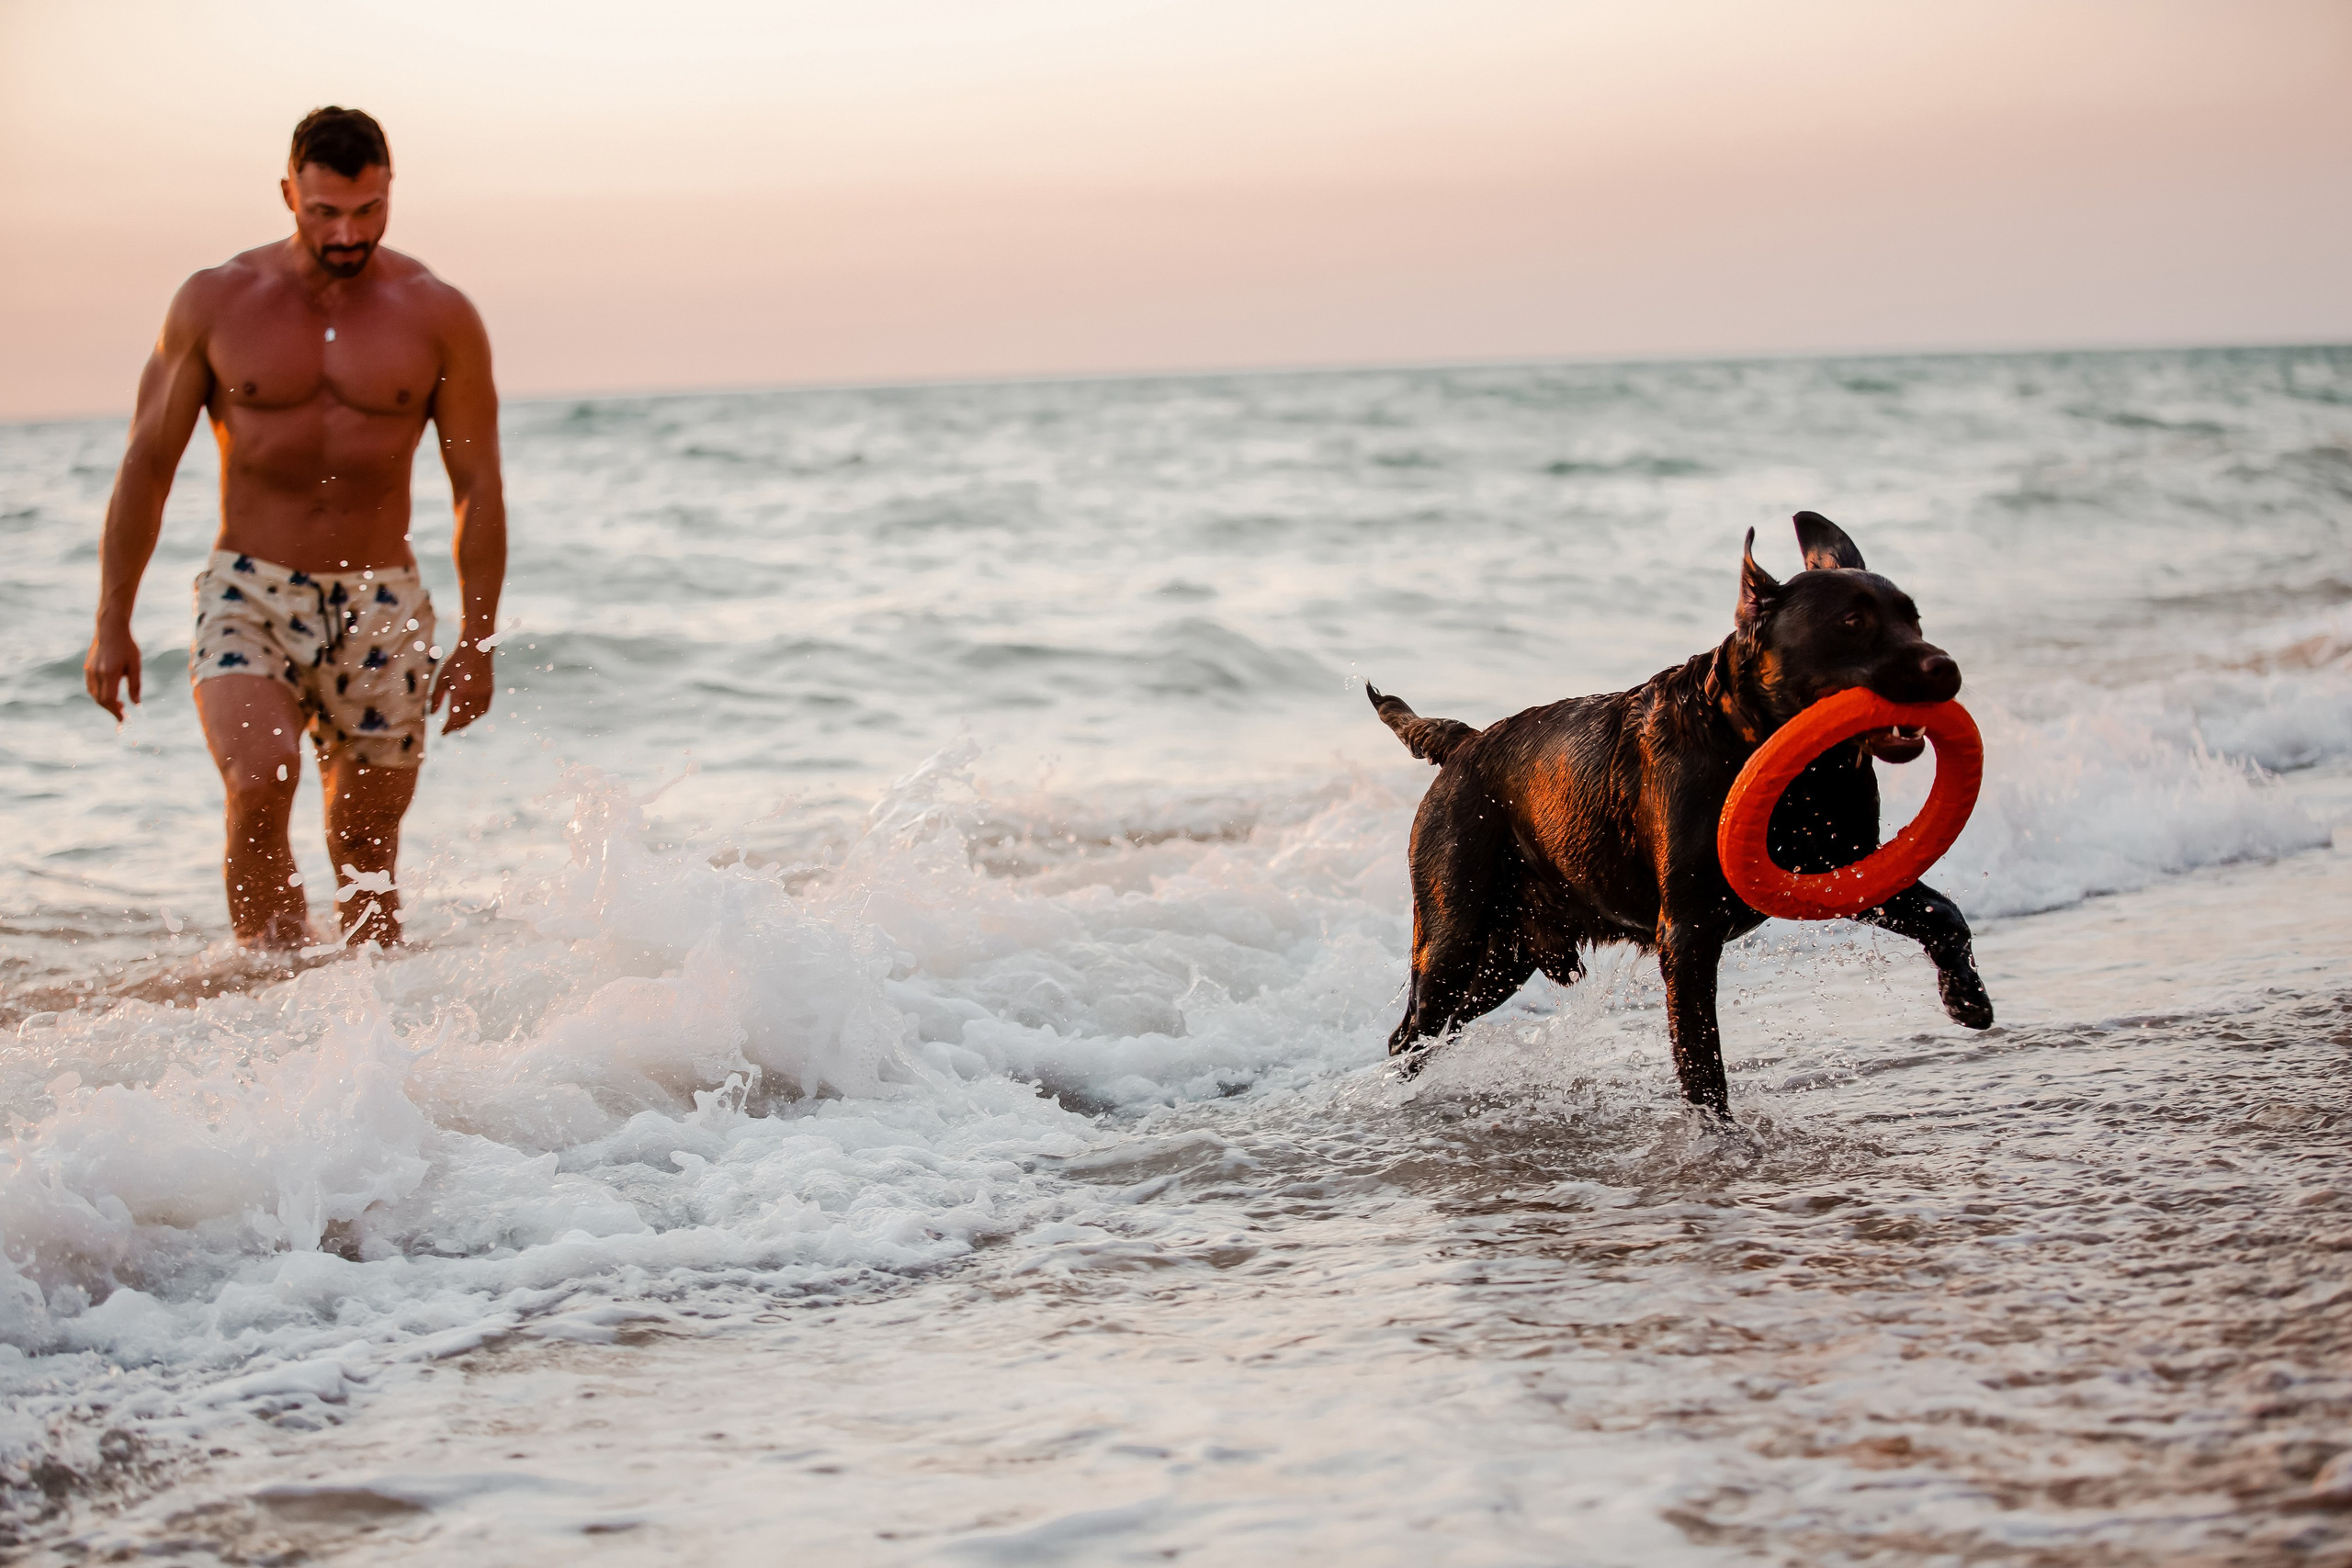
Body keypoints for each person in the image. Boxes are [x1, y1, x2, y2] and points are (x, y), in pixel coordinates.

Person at [81, 107, 504, 949]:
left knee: (365, 844)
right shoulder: (215, 302)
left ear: (390, 192)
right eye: (325, 212)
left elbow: (477, 487)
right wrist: (111, 620)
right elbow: (146, 465)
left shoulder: (439, 316)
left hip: (382, 600)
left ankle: (369, 1013)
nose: (349, 234)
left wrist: (478, 642)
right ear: (287, 195)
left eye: (369, 210)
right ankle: (268, 992)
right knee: (261, 777)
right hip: (249, 590)